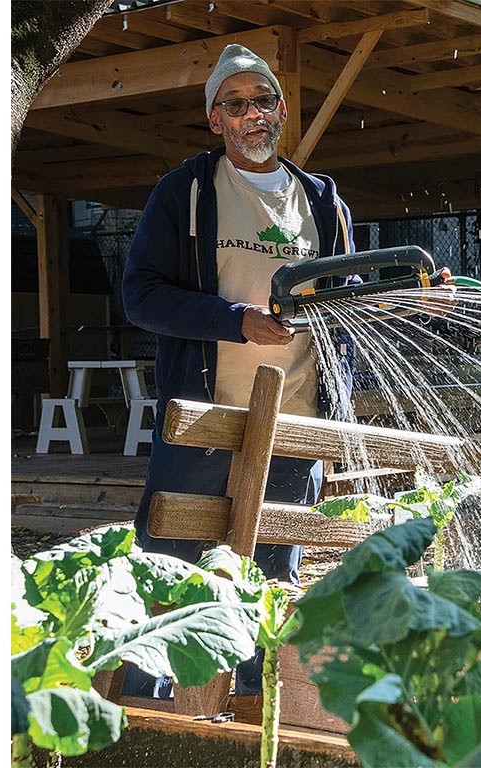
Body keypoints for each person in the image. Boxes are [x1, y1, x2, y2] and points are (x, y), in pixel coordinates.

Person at [119, 44, 361, 697]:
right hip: (204, 423)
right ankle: (147, 708)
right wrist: (235, 320)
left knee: (272, 581)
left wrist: (413, 292)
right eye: (236, 103)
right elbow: (140, 295)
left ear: (281, 110)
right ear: (215, 119)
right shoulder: (186, 193)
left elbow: (350, 300)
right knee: (172, 571)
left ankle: (258, 709)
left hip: (296, 425)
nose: (252, 113)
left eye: (263, 100)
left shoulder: (320, 199)